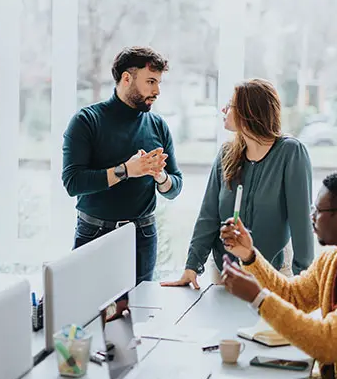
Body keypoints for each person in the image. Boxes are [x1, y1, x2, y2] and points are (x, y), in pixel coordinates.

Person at [219, 170, 337, 379]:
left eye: (318, 210)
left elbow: (329, 343)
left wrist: (258, 298)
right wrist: (249, 255)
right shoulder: (332, 259)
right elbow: (293, 296)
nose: (311, 216)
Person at [163, 78, 313, 290]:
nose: (224, 109)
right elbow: (208, 215)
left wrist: (303, 284)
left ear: (249, 111)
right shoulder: (226, 153)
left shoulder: (291, 152)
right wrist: (192, 267)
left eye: (231, 104)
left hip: (273, 273)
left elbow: (301, 223)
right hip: (226, 272)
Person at [62, 46, 182, 284]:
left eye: (158, 83)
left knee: (138, 314)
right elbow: (73, 183)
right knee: (86, 310)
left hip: (143, 235)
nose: (157, 91)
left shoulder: (158, 125)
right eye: (150, 82)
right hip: (94, 234)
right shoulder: (86, 121)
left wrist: (161, 177)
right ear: (127, 78)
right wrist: (126, 170)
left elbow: (175, 186)